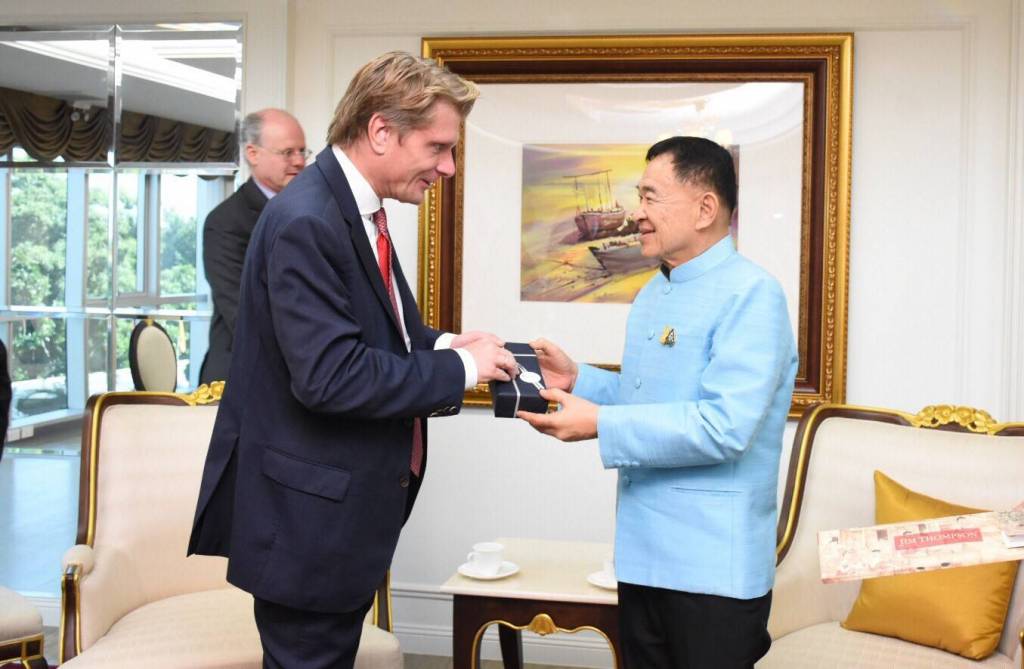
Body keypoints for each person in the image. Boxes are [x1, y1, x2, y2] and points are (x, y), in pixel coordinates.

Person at [188, 52, 519, 668]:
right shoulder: (309, 220)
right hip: (306, 524)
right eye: (439, 148)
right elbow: (331, 377)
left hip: (331, 519)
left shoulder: (351, 209)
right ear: (381, 131)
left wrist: (445, 345)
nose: (448, 167)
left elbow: (376, 330)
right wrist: (463, 371)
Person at [519, 136, 798, 668]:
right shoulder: (653, 293)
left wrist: (601, 424)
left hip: (712, 571)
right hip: (643, 557)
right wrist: (578, 379)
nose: (638, 213)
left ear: (705, 209)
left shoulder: (753, 294)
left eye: (650, 197)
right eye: (638, 197)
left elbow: (724, 426)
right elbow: (650, 400)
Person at [199, 109, 308, 385]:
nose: (299, 161)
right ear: (253, 153)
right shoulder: (225, 222)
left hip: (301, 373)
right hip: (242, 377)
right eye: (287, 153)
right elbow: (242, 313)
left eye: (302, 151)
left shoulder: (311, 212)